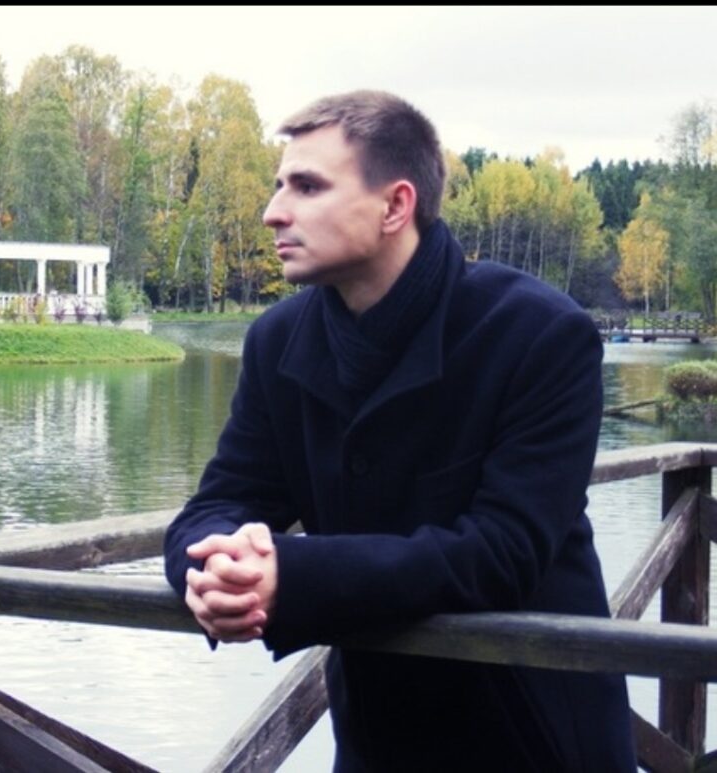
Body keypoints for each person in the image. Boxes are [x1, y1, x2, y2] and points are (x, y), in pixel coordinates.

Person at [163, 90, 636, 771]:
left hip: (534, 735)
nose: (273, 211)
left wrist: (291, 575)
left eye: (307, 186)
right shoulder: (277, 340)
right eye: (278, 185)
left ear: (395, 206)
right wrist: (212, 571)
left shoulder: (540, 334)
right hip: (375, 739)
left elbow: (502, 552)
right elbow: (219, 503)